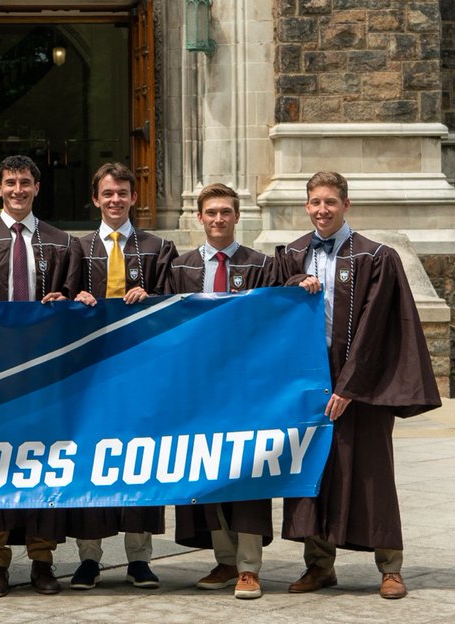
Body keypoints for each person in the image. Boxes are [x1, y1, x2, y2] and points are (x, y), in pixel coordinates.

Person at [275, 171, 440, 600]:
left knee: (372, 473)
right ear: (306, 206)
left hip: (363, 383)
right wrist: (293, 284)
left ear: (346, 204)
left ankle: (390, 567)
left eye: (330, 202)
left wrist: (349, 386)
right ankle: (318, 567)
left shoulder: (376, 257)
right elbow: (273, 314)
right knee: (314, 473)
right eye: (315, 202)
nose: (322, 210)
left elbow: (374, 329)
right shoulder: (291, 255)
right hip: (310, 384)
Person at [0, 154, 74, 598]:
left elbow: (80, 299)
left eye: (25, 183)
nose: (18, 190)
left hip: (46, 373)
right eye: (10, 183)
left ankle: (43, 561)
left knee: (46, 463)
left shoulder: (62, 241)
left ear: (37, 187)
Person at [63, 162, 178, 593]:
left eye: (123, 193)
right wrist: (78, 298)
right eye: (107, 193)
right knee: (88, 462)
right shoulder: (79, 247)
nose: (115, 200)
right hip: (91, 376)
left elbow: (173, 307)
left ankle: (139, 558)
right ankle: (89, 558)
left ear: (134, 197)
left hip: (139, 374)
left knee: (139, 461)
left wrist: (152, 299)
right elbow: (63, 304)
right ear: (96, 199)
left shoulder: (157, 247)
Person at [167, 182, 276, 601]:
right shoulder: (181, 267)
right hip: (197, 390)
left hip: (246, 389)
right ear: (199, 218)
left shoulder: (261, 265)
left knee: (247, 474)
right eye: (210, 212)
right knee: (206, 470)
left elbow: (274, 321)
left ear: (236, 217)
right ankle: (224, 559)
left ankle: (249, 567)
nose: (218, 219)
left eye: (225, 212)